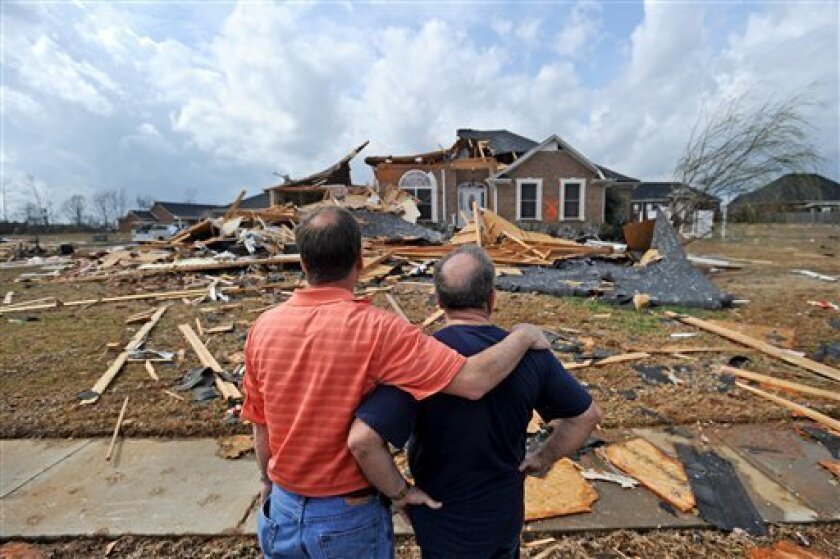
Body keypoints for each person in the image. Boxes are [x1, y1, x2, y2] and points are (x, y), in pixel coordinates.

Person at [242, 207, 550, 559]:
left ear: (302, 264)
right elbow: (474, 381)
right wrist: (524, 336)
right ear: (360, 261)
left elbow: (260, 422)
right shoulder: (379, 329)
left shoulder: (263, 328)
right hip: (348, 519)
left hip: (280, 511)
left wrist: (267, 482)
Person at [349, 244, 602, 559]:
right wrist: (544, 456)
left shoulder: (418, 359)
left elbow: (363, 441)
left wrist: (399, 493)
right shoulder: (529, 354)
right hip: (503, 520)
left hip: (442, 522)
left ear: (438, 301)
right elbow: (587, 415)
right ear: (492, 298)